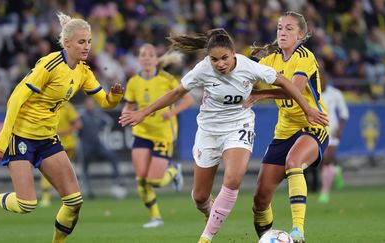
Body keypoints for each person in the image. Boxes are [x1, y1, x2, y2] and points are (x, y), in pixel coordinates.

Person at [119, 28, 328, 243]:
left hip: (239, 125)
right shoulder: (202, 69)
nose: (220, 64)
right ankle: (212, 213)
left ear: (234, 53)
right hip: (209, 131)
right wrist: (143, 112)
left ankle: (205, 238)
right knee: (200, 196)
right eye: (214, 59)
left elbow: (285, 83)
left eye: (225, 58)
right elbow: (176, 93)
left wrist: (308, 110)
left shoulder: (249, 66)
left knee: (234, 178)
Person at [0, 12, 124, 243]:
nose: (87, 47)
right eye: (81, 42)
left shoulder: (83, 71)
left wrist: (114, 97)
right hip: (21, 136)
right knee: (26, 204)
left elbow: (105, 102)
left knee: (74, 201)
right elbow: (15, 98)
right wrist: (4, 137)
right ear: (67, 43)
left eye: (89, 41)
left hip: (47, 139)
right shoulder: (50, 64)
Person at [247, 11, 330, 243]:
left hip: (312, 125)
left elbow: (293, 89)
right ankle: (266, 239)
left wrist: (260, 94)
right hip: (283, 132)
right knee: (260, 199)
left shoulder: (305, 57)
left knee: (294, 162)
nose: (282, 32)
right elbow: (246, 76)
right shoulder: (270, 60)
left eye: (289, 29)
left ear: (300, 35)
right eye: (279, 28)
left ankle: (298, 231)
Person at [121, 43, 194, 228]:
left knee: (155, 181)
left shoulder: (167, 79)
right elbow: (128, 106)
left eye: (150, 55)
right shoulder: (133, 82)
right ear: (138, 59)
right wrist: (126, 114)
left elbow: (188, 99)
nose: (146, 58)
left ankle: (174, 170)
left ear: (156, 59)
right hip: (141, 132)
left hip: (163, 134)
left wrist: (172, 113)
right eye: (143, 55)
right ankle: (156, 217)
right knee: (141, 180)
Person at [79, 96, 127, 199]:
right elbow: (75, 126)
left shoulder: (98, 114)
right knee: (84, 166)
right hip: (86, 145)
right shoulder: (81, 115)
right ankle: (87, 189)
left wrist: (103, 133)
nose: (90, 105)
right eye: (88, 103)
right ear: (85, 104)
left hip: (97, 144)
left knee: (112, 157)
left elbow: (109, 122)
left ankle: (117, 180)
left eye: (92, 103)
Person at [39, 102, 82, 207]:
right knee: (56, 170)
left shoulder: (66, 106)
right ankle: (67, 196)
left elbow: (78, 124)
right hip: (53, 144)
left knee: (52, 170)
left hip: (65, 144)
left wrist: (63, 132)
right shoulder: (45, 104)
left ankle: (50, 197)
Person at [318, 70, 348, 203]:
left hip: (332, 130)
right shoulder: (312, 93)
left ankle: (325, 192)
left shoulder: (336, 93)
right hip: (317, 130)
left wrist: (340, 129)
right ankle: (336, 171)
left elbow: (344, 113)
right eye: (319, 79)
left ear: (327, 79)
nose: (322, 81)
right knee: (322, 161)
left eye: (324, 78)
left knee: (326, 160)